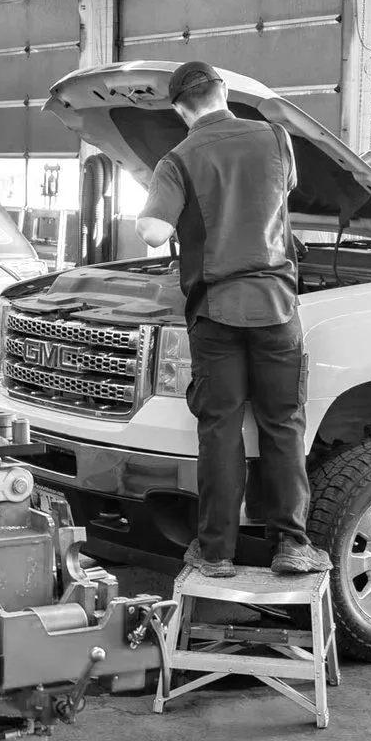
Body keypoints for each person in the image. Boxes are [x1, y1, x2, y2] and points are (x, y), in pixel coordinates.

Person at [135, 62, 330, 580]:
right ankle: (291, 544)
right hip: (277, 307)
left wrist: (159, 216)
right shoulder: (275, 137)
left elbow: (154, 233)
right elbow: (279, 196)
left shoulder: (177, 159)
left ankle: (216, 553)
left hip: (216, 311)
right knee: (283, 424)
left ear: (180, 109)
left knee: (220, 429)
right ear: (223, 93)